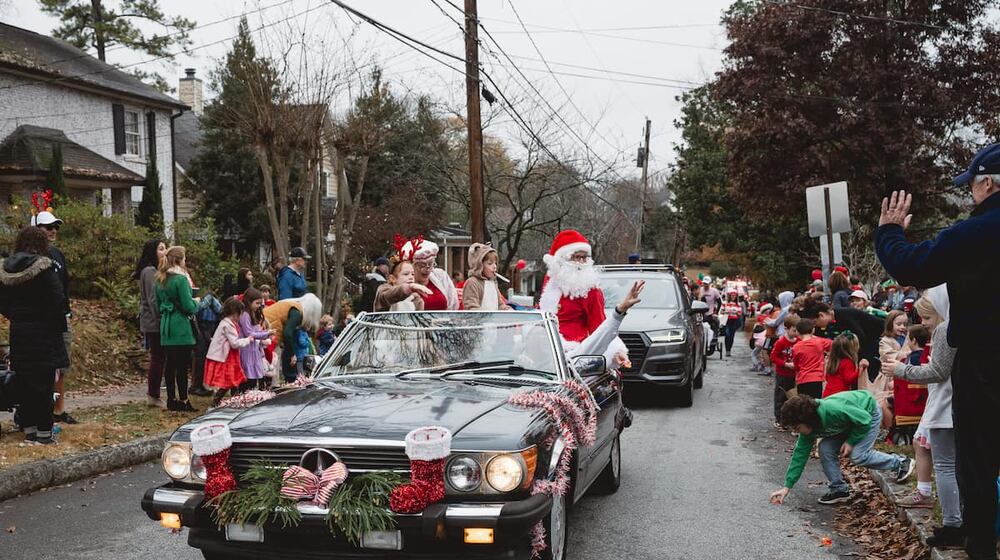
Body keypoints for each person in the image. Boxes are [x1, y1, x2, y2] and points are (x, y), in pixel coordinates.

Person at [876, 155, 1000, 559]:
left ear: (990, 185)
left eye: (972, 184)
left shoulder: (977, 232)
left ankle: (981, 545)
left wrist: (890, 232)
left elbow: (913, 266)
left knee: (978, 460)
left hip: (985, 360)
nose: (970, 191)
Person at [881, 286, 963, 546]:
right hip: (964, 406)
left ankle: (953, 523)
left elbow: (937, 371)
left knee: (946, 467)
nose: (924, 324)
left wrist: (901, 369)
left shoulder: (944, 331)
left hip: (944, 408)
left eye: (927, 318)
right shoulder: (969, 328)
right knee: (963, 467)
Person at [769, 391, 914, 506]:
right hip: (849, 423)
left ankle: (901, 463)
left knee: (858, 455)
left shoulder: (833, 411)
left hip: (868, 413)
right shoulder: (809, 428)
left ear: (807, 420)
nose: (796, 431)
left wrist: (851, 441)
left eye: (797, 427)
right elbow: (799, 455)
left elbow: (864, 420)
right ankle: (839, 489)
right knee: (825, 447)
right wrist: (787, 487)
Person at [0, 227, 71, 444]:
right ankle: (44, 433)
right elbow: (57, 300)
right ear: (41, 245)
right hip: (43, 332)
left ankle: (29, 429)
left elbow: (2, 302)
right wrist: (56, 324)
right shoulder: (44, 268)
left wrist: (17, 317)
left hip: (19, 332)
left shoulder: (7, 269)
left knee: (24, 381)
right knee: (43, 383)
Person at [32, 209, 76, 425]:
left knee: (62, 365)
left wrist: (67, 311)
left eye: (56, 227)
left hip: (61, 317)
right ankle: (41, 409)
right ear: (36, 229)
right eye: (48, 227)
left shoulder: (58, 254)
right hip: (40, 321)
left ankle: (59, 410)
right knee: (42, 367)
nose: (53, 231)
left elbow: (64, 285)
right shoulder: (31, 257)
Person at [155, 246, 199, 412]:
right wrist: (198, 302)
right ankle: (184, 400)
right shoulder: (180, 280)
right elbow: (188, 306)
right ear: (179, 260)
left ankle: (171, 399)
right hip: (181, 325)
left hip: (166, 325)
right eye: (184, 258)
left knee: (170, 364)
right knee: (182, 365)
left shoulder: (160, 279)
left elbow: (158, 305)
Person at [135, 239, 167, 408]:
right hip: (153, 322)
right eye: (161, 249)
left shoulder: (156, 270)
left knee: (160, 357)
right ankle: (153, 395)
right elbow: (152, 299)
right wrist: (161, 320)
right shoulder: (148, 271)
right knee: (157, 358)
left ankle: (155, 393)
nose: (164, 252)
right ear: (152, 252)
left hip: (155, 320)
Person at [263, 293, 322, 382]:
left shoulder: (291, 306)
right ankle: (272, 388)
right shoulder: (296, 313)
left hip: (265, 329)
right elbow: (288, 333)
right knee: (273, 363)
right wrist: (292, 354)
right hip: (270, 334)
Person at [203, 297, 252, 406]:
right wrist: (248, 340)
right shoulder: (228, 325)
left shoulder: (226, 323)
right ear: (235, 313)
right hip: (226, 358)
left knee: (234, 379)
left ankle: (235, 399)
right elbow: (234, 343)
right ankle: (217, 401)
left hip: (230, 357)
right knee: (228, 382)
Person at [396, 236, 458, 311]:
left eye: (431, 264)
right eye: (422, 265)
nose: (427, 268)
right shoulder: (403, 285)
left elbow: (453, 305)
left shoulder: (440, 276)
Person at [238, 288, 275, 392]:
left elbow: (257, 332)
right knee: (248, 378)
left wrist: (266, 333)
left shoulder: (253, 314)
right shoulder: (245, 315)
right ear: (249, 302)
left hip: (253, 350)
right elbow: (249, 334)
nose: (259, 305)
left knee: (253, 379)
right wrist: (266, 333)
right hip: (246, 350)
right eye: (257, 303)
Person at [770, 314, 801, 428]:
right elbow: (773, 356)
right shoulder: (781, 342)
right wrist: (785, 364)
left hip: (795, 374)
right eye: (794, 330)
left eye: (798, 330)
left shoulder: (799, 341)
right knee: (780, 396)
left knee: (793, 397)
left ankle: (790, 419)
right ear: (786, 328)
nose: (796, 333)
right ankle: (779, 418)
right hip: (783, 373)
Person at [462, 243, 511, 311]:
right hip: (479, 321)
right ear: (479, 265)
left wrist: (510, 311)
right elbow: (471, 307)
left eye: (495, 263)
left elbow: (500, 305)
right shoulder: (472, 283)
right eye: (490, 263)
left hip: (494, 321)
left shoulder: (493, 283)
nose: (494, 266)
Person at [791, 319, 831, 399]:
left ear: (798, 332)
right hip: (817, 379)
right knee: (815, 404)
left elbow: (796, 364)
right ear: (813, 330)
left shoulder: (796, 347)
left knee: (803, 405)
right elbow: (833, 344)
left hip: (802, 379)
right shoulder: (819, 342)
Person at [823, 333, 867, 398]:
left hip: (828, 394)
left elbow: (827, 377)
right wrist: (860, 368)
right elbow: (849, 379)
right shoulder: (847, 362)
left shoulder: (833, 361)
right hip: (840, 395)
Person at [720, 291, 742, 357]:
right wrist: (726, 311)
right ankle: (727, 350)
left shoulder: (738, 304)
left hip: (735, 321)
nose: (733, 297)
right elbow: (721, 311)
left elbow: (740, 313)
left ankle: (729, 350)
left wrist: (735, 312)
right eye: (732, 295)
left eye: (734, 296)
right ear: (729, 296)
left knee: (732, 336)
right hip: (727, 320)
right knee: (727, 334)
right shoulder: (725, 303)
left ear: (736, 297)